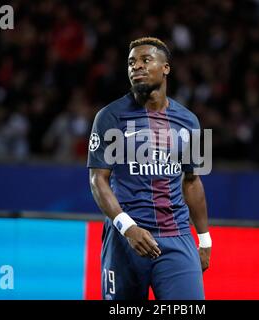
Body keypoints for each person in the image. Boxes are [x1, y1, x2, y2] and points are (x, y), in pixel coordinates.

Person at [87, 37, 211, 300]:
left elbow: (193, 181)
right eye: (131, 63)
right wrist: (128, 227)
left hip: (176, 238)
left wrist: (205, 238)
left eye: (145, 60)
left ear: (165, 67)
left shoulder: (190, 121)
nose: (137, 67)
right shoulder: (109, 117)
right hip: (125, 240)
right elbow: (98, 180)